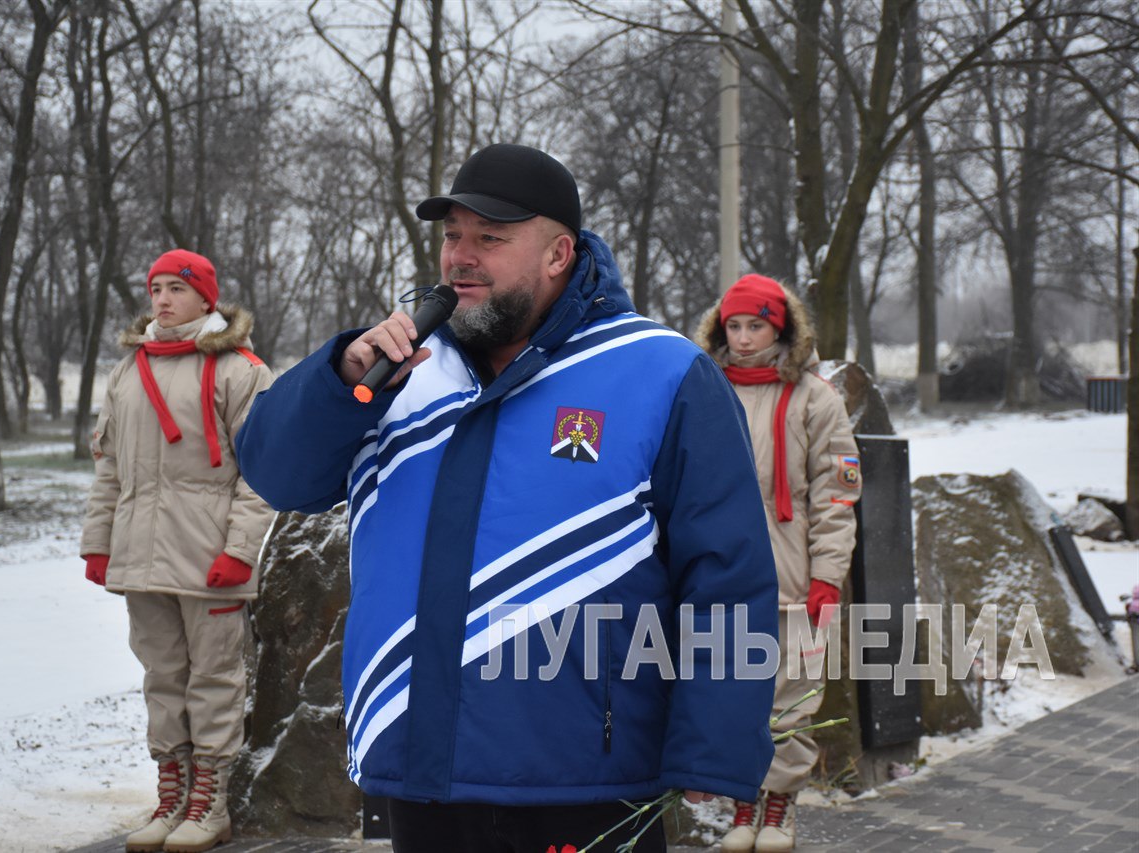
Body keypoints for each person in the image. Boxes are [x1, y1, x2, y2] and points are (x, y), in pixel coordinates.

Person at [235, 143, 779, 852]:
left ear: (558, 254)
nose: (461, 256)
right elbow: (276, 473)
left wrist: (715, 744)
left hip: (588, 776)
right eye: (452, 235)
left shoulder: (660, 370)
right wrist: (340, 378)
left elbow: (728, 572)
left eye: (490, 238)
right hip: (420, 768)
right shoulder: (396, 372)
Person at [80, 249, 276, 853]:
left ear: (206, 299)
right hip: (142, 555)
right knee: (162, 679)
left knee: (214, 680)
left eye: (177, 289)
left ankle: (208, 804)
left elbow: (262, 472)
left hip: (209, 555)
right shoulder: (127, 372)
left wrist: (241, 550)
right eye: (156, 288)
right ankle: (171, 798)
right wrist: (99, 543)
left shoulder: (241, 371)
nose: (162, 300)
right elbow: (111, 468)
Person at [694, 274, 862, 853]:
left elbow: (836, 496)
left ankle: (780, 807)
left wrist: (826, 577)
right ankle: (743, 804)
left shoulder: (817, 398)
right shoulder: (704, 390)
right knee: (733, 691)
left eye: (755, 326)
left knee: (792, 697)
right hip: (721, 574)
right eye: (734, 326)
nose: (743, 339)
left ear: (781, 326)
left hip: (793, 575)